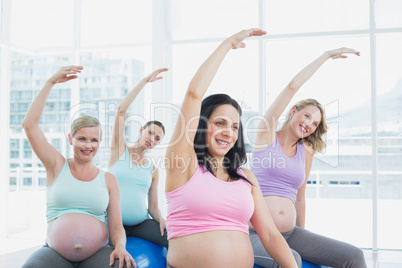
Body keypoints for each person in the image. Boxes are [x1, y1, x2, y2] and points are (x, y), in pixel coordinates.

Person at [164, 29, 298, 268]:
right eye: (220, 123)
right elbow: (193, 95)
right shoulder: (183, 164)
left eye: (235, 127)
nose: (229, 132)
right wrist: (227, 45)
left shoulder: (246, 178)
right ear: (202, 125)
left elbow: (269, 235)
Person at [249, 48, 367, 267]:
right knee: (289, 259)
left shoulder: (307, 150)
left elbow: (300, 197)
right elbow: (291, 86)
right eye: (307, 116)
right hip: (256, 233)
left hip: (291, 233)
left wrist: (302, 232)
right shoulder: (266, 136)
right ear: (293, 112)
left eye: (315, 124)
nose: (309, 125)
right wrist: (325, 56)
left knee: (354, 256)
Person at [21, 66, 136, 268]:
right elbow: (30, 125)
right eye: (81, 138)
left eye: (94, 140)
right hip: (55, 254)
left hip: (98, 253)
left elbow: (117, 226)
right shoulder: (56, 165)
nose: (88, 145)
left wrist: (120, 246)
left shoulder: (109, 180)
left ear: (100, 142)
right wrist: (50, 82)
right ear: (70, 139)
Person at [108, 68, 169, 248]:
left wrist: (161, 219)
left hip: (140, 223)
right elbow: (121, 111)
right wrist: (144, 82)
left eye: (157, 138)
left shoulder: (153, 169)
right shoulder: (119, 150)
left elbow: (153, 208)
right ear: (142, 130)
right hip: (113, 223)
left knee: (175, 241)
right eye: (150, 133)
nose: (152, 139)